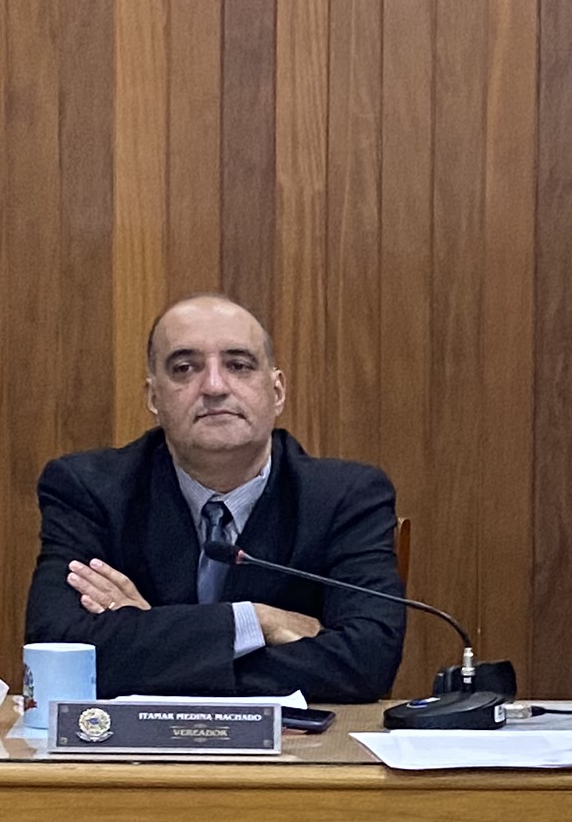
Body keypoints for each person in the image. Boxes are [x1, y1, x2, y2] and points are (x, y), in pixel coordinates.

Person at [25, 295, 407, 701]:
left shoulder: (345, 497)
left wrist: (155, 637)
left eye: (238, 365)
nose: (213, 387)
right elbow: (57, 651)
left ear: (276, 391)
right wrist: (254, 621)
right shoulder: (90, 489)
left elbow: (366, 661)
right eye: (184, 368)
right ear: (154, 398)